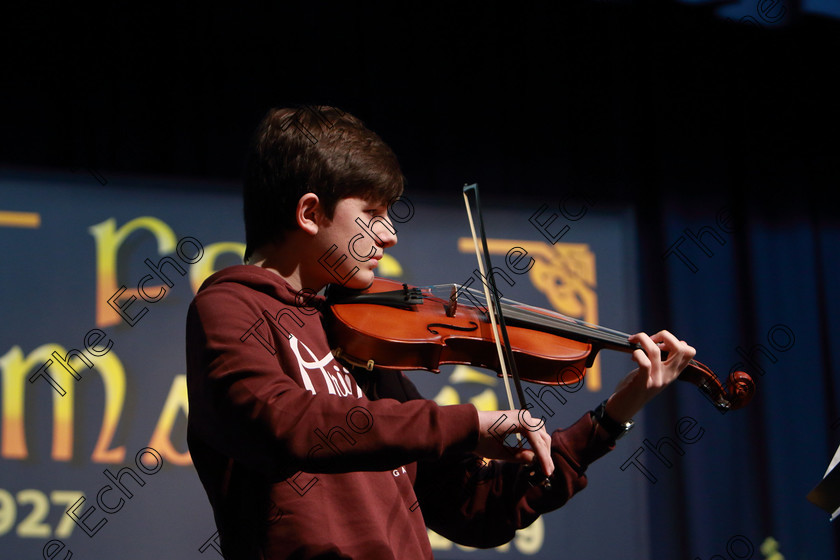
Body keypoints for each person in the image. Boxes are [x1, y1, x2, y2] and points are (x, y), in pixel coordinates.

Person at [185, 105, 696, 559]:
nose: (389, 234)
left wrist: (612, 416)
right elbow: (286, 424)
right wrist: (467, 423)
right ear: (310, 212)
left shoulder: (351, 330)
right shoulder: (230, 307)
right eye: (372, 215)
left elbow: (476, 509)